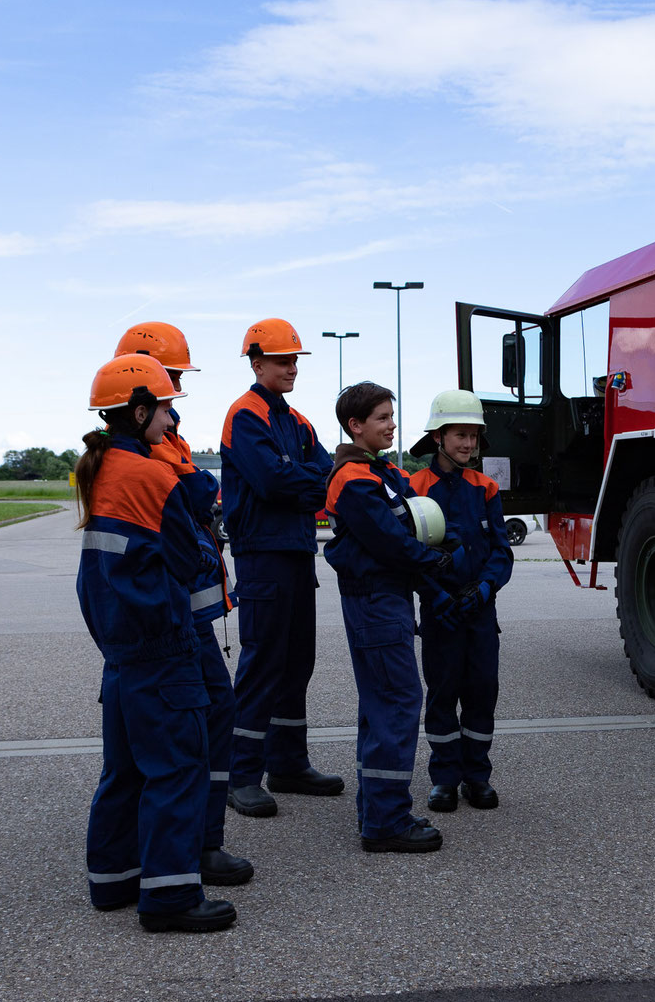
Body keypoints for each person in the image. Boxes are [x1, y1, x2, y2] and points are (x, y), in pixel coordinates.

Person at [77, 353, 237, 933]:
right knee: (177, 768)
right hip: (163, 646)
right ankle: (170, 898)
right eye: (166, 408)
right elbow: (191, 553)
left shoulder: (101, 469)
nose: (172, 420)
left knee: (123, 771)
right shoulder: (152, 475)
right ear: (140, 409)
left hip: (120, 652)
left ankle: (113, 881)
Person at [114, 322, 253, 886]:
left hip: (186, 610)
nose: (176, 389)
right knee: (187, 728)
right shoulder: (144, 448)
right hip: (169, 617)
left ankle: (194, 841)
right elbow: (193, 495)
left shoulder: (164, 437)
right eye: (170, 377)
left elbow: (200, 495)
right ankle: (182, 852)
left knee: (209, 718)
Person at [323, 382, 460, 852]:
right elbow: (388, 541)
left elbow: (410, 525)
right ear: (355, 426)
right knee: (398, 702)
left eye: (391, 416)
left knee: (382, 704)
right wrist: (434, 562)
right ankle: (386, 822)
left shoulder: (377, 472)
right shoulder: (355, 479)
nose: (391, 425)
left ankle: (378, 810)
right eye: (382, 418)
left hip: (386, 598)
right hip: (376, 600)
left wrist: (437, 548)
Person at [219, 319, 340, 817]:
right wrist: (306, 481)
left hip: (293, 551)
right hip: (262, 555)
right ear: (256, 363)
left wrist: (304, 480)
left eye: (295, 360)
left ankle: (288, 765)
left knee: (296, 664)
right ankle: (241, 774)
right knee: (263, 663)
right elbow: (270, 481)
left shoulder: (299, 421)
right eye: (282, 360)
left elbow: (328, 474)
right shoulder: (245, 416)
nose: (292, 368)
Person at [407, 390, 514, 813]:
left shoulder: (486, 487)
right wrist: (435, 595)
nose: (468, 444)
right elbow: (407, 552)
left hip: (481, 614)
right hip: (440, 613)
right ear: (438, 437)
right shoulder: (415, 487)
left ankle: (477, 777)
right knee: (442, 693)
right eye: (459, 435)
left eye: (473, 436)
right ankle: (445, 780)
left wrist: (485, 590)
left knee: (482, 692)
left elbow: (501, 552)